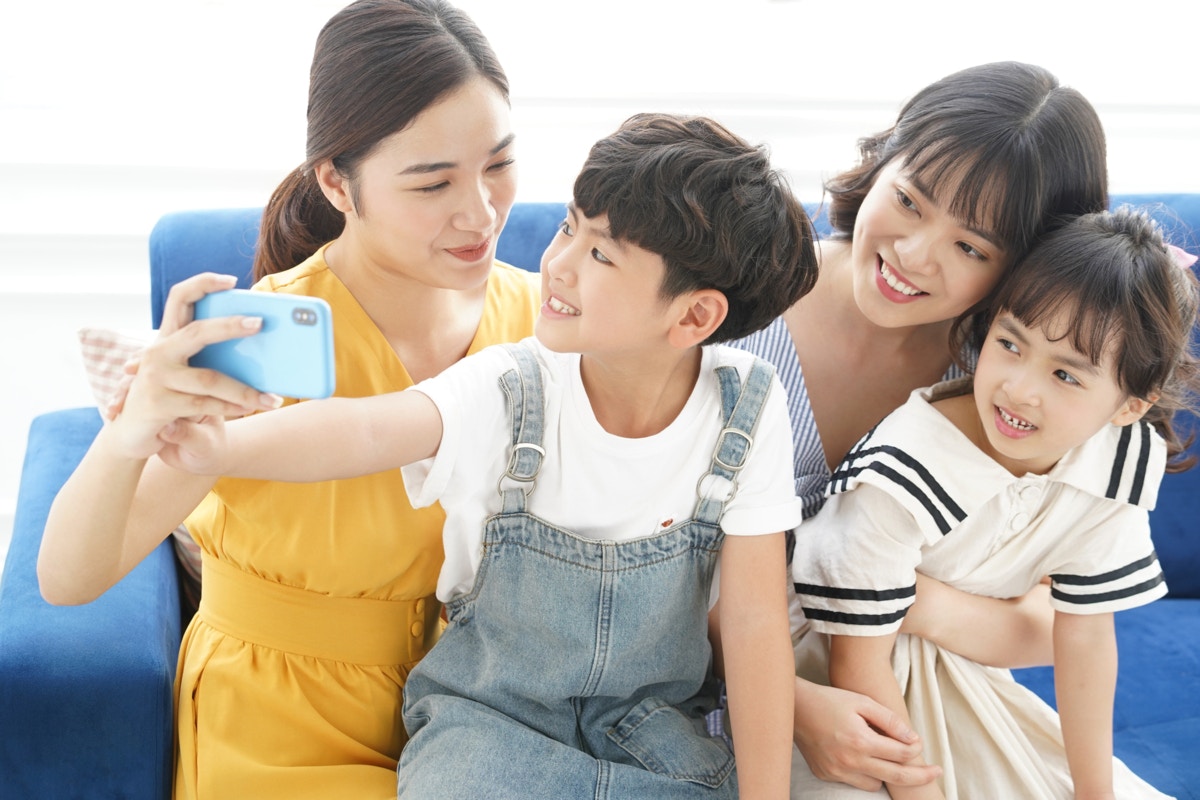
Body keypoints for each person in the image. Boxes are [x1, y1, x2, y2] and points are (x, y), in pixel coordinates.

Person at [125, 112, 819, 798]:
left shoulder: (747, 408)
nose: (559, 264)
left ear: (694, 316)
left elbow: (756, 624)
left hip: (648, 731)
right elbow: (366, 431)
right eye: (568, 228)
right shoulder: (511, 383)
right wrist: (219, 445)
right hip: (490, 726)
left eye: (601, 254)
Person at [37, 1, 539, 797]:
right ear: (338, 182)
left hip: (482, 716)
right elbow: (69, 578)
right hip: (281, 726)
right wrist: (133, 431)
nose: (480, 213)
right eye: (434, 181)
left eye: (499, 163)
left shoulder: (546, 321)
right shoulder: (251, 348)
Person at [723, 60, 1112, 793]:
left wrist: (906, 604)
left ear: (1020, 270)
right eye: (908, 200)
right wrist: (794, 702)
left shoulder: (1003, 381)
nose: (913, 254)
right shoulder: (738, 306)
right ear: (879, 163)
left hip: (915, 702)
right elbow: (636, 551)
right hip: (695, 679)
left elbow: (1045, 624)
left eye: (972, 248)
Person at [791, 207, 1200, 799]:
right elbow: (857, 663)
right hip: (843, 687)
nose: (1019, 387)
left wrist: (1095, 791)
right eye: (1010, 343)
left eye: (1067, 376)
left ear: (1130, 406)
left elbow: (1084, 636)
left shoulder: (1116, 459)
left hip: (963, 676)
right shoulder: (904, 466)